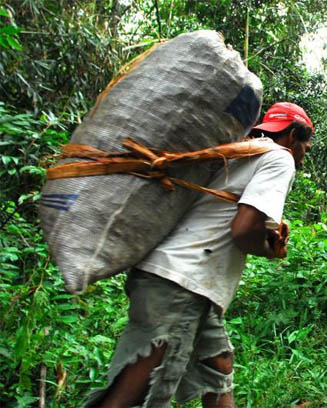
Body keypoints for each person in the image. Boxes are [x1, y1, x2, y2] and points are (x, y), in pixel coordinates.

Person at [84, 102, 313, 408]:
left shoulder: (240, 152)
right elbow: (244, 231)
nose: (304, 154)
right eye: (305, 146)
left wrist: (264, 240)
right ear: (293, 136)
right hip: (182, 282)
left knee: (218, 365)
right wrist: (269, 250)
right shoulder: (279, 159)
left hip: (175, 278)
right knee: (135, 394)